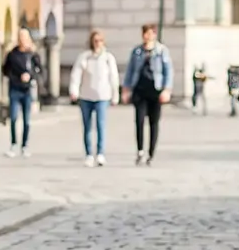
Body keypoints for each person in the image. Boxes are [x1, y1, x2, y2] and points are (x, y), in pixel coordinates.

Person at [69, 30, 120, 168]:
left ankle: (100, 153)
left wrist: (115, 95)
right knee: (87, 126)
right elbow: (76, 74)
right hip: (86, 95)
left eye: (100, 41)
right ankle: (89, 154)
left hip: (103, 96)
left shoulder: (108, 58)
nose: (97, 43)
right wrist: (74, 90)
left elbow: (113, 78)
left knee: (100, 125)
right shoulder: (85, 57)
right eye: (95, 41)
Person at [124, 24, 172, 166]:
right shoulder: (137, 51)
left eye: (150, 33)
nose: (147, 36)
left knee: (154, 122)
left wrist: (167, 90)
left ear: (154, 35)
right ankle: (140, 150)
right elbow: (130, 70)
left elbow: (168, 71)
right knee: (139, 121)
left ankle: (151, 153)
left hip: (155, 90)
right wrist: (126, 89)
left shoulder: (162, 51)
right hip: (139, 90)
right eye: (145, 33)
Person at [2, 29, 41, 158]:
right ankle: (13, 144)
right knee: (13, 118)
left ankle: (25, 145)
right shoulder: (12, 54)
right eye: (20, 37)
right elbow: (6, 70)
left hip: (27, 90)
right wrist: (17, 77)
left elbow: (40, 71)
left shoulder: (32, 54)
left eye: (25, 37)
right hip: (15, 89)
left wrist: (30, 76)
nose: (23, 39)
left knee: (27, 120)